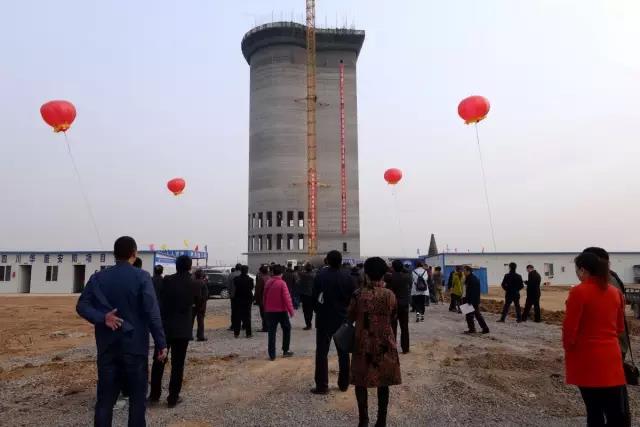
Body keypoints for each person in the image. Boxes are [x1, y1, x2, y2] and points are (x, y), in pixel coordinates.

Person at [76, 236, 167, 427]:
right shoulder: (142, 277)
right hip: (135, 348)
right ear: (134, 253)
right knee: (137, 401)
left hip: (107, 347)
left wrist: (102, 318)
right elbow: (152, 312)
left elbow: (82, 305)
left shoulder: (98, 278)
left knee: (105, 401)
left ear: (114, 254)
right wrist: (161, 343)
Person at [563, 252, 630, 426]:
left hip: (587, 358)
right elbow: (620, 328)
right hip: (611, 357)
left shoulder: (578, 292)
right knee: (614, 411)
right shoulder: (615, 292)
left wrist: (569, 349)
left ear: (583, 270)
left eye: (576, 270)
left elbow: (570, 330)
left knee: (594, 410)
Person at [349, 257, 402, 427]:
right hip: (384, 343)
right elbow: (394, 316)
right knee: (383, 382)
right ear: (383, 274)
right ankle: (381, 420)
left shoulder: (358, 294)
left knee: (360, 381)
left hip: (362, 343)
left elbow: (350, 316)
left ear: (366, 273)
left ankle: (363, 420)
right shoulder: (389, 295)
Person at [149, 255, 199, 407]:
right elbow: (197, 302)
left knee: (159, 361)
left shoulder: (167, 280)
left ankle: (154, 395)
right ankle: (173, 398)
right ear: (189, 267)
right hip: (183, 329)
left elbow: (161, 299)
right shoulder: (194, 283)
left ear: (176, 266)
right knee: (178, 365)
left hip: (165, 328)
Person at [310, 250, 356, 394]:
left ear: (327, 261)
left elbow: (314, 297)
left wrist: (318, 310)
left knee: (322, 353)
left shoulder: (320, 276)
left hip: (324, 318)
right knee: (343, 352)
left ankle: (322, 386)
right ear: (341, 261)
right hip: (342, 319)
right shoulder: (348, 277)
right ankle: (344, 383)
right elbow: (353, 299)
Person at [263, 264, 295, 360]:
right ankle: (285, 350)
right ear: (282, 273)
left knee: (271, 332)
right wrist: (291, 311)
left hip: (270, 311)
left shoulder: (268, 282)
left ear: (273, 272)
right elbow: (287, 298)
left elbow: (264, 296)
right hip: (281, 311)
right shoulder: (282, 283)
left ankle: (272, 355)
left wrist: (265, 308)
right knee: (287, 329)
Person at [385, 260, 412, 354]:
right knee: (404, 327)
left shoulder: (389, 277)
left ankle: (392, 348)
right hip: (404, 304)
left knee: (393, 327)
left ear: (393, 267)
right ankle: (405, 348)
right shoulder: (407, 277)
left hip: (393, 305)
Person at [462, 266, 490, 334]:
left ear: (468, 271)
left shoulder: (473, 279)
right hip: (468, 299)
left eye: (464, 271)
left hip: (471, 300)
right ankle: (474, 329)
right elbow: (466, 289)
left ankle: (482, 329)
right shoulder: (468, 278)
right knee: (470, 315)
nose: (463, 272)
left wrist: (469, 301)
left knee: (474, 315)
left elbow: (474, 292)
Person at [233, 265, 254, 338]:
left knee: (237, 317)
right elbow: (251, 288)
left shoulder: (236, 279)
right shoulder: (250, 280)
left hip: (238, 299)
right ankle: (248, 333)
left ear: (241, 271)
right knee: (247, 317)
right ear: (247, 271)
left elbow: (235, 285)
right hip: (247, 299)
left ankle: (236, 333)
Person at [191, 269, 209, 341]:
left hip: (193, 305)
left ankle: (189, 335)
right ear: (202, 276)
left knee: (191, 321)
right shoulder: (203, 283)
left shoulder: (192, 282)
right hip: (201, 305)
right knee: (200, 321)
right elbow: (205, 296)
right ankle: (200, 336)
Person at [298, 263, 316, 330]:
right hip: (312, 295)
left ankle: (308, 324)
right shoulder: (314, 275)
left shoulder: (302, 275)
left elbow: (299, 281)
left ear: (305, 268)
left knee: (305, 310)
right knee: (310, 310)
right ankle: (309, 323)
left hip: (304, 295)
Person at [254, 265, 269, 332]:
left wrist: (256, 299)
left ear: (261, 272)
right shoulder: (270, 278)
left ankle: (265, 328)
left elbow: (258, 291)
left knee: (263, 314)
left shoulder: (261, 279)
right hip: (270, 299)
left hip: (263, 300)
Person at [227, 264, 242, 330]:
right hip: (241, 296)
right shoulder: (243, 274)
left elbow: (228, 286)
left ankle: (233, 325)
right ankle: (242, 325)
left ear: (235, 268)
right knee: (241, 310)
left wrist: (230, 293)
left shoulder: (231, 275)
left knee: (234, 311)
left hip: (233, 296)